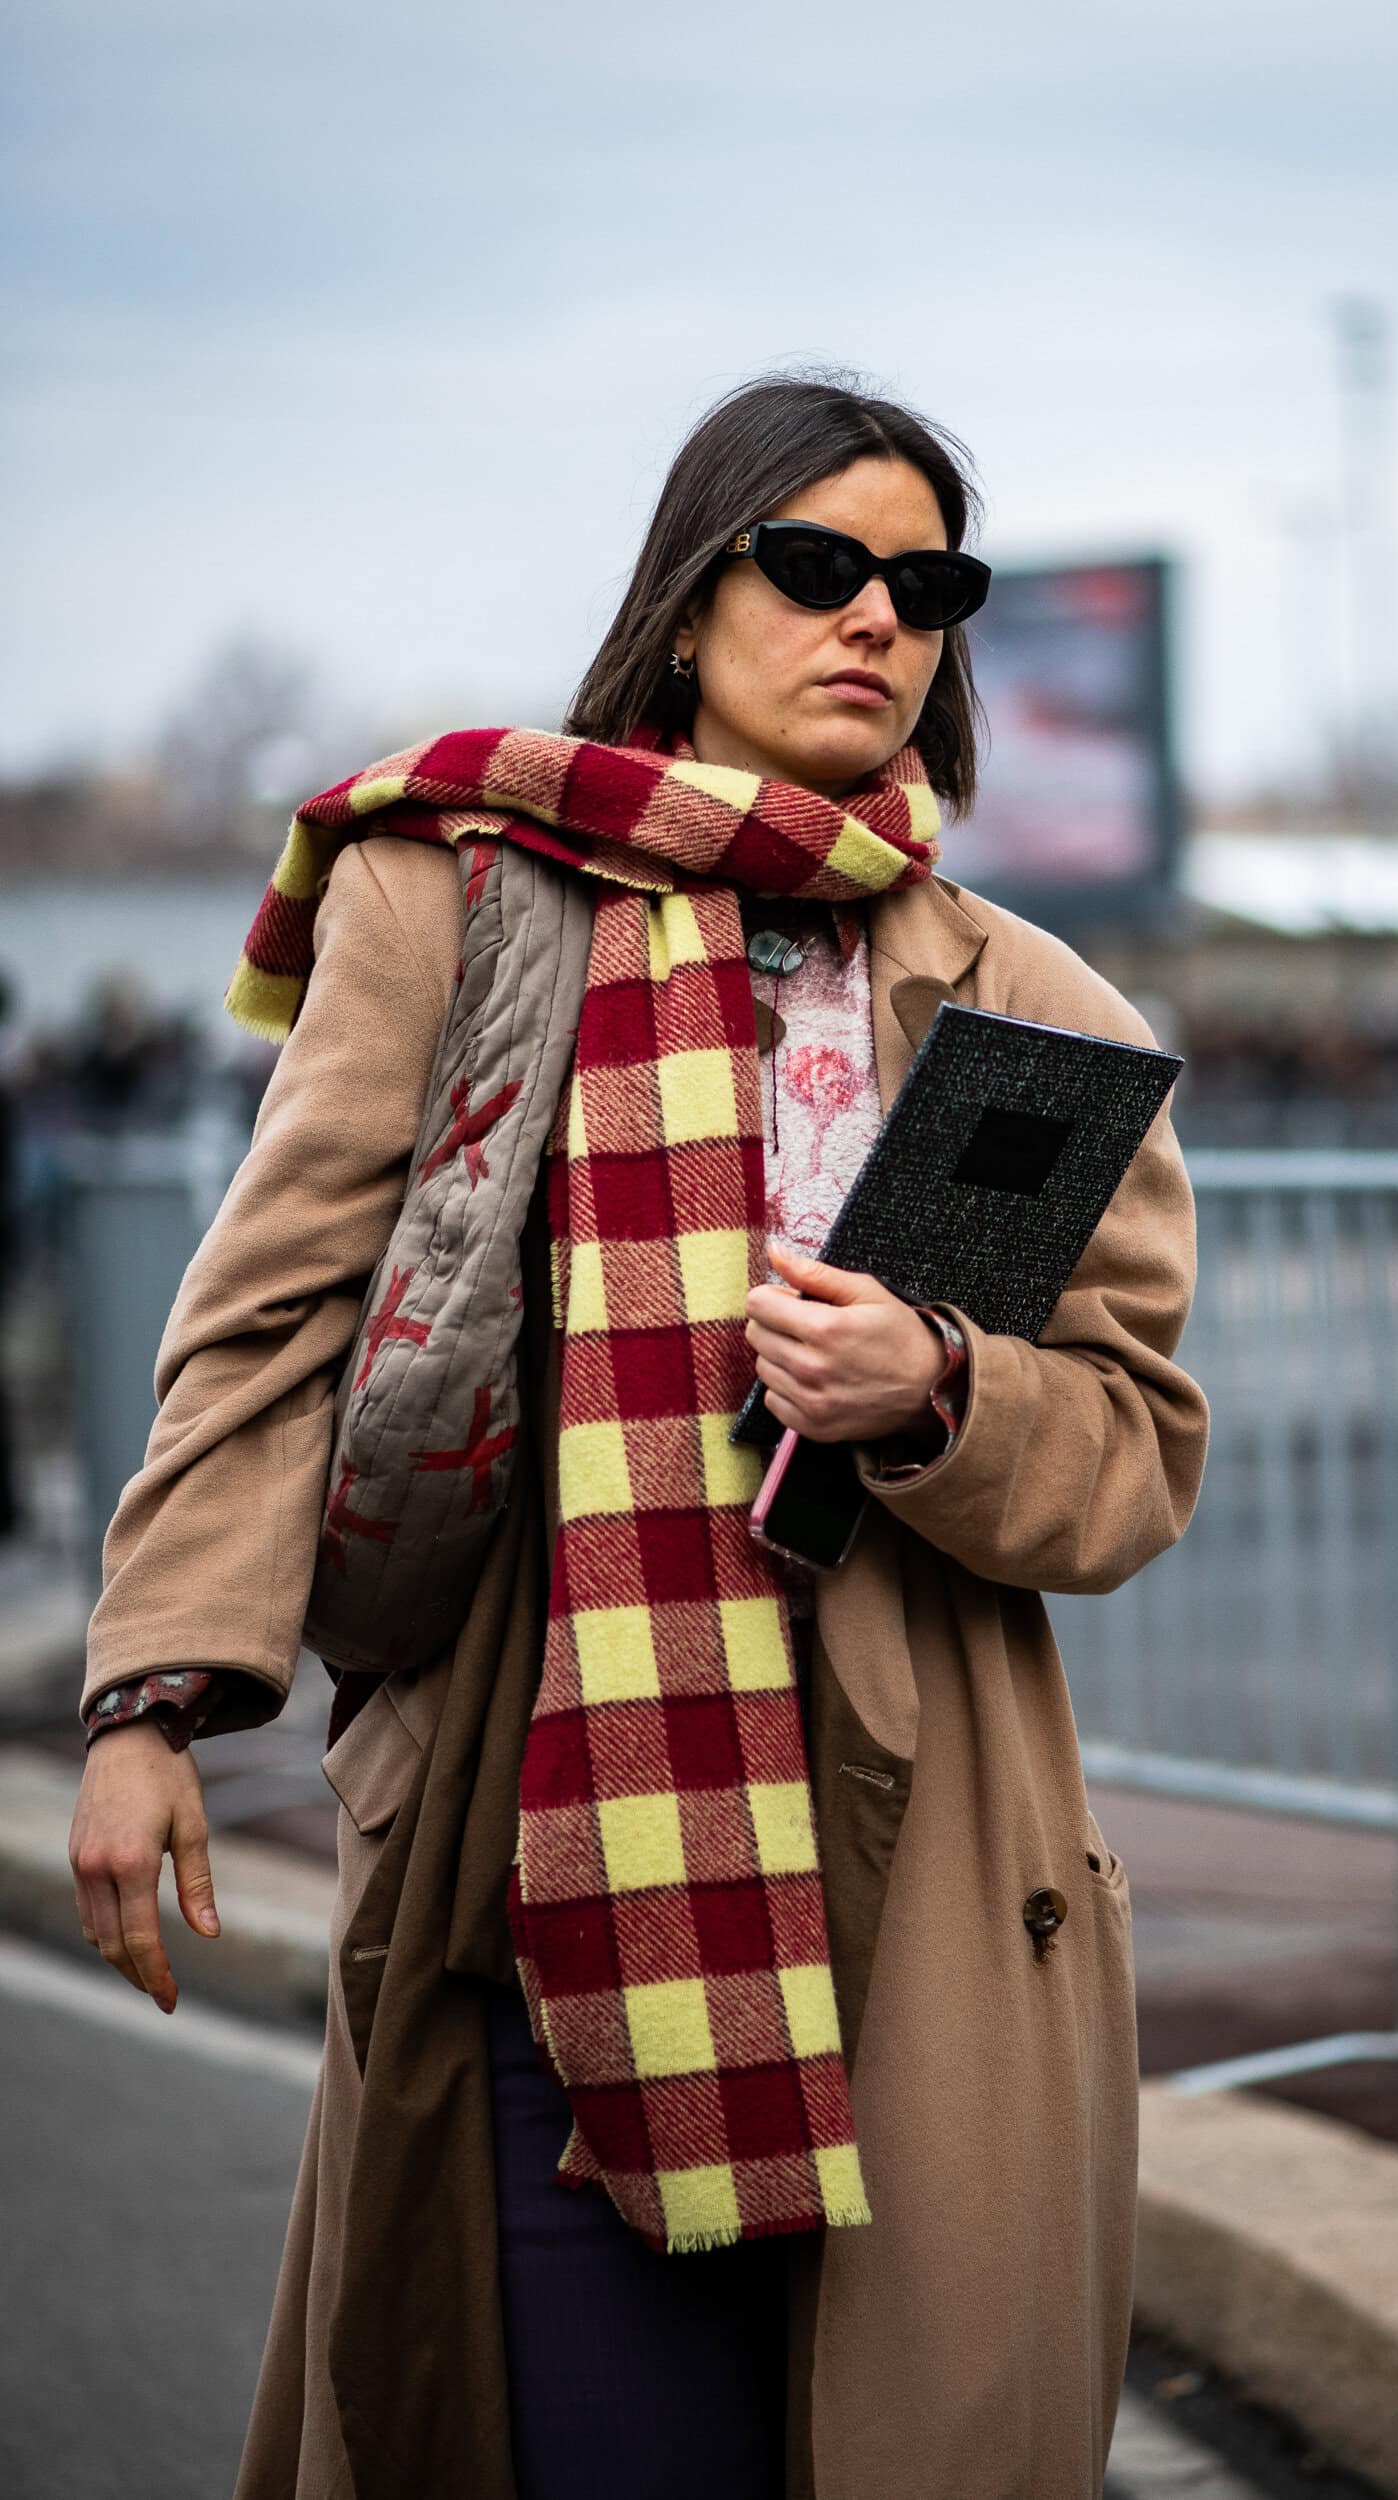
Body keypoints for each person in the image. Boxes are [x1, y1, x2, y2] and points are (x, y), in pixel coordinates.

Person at [66, 371, 1208, 2500]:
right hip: (543, 1832)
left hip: (923, 1854)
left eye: (928, 585)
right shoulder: (464, 904)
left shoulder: (1028, 1007)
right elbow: (269, 1316)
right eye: (818, 562)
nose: (875, 616)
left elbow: (1132, 1443)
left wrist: (941, 1391)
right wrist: (150, 1695)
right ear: (691, 601)